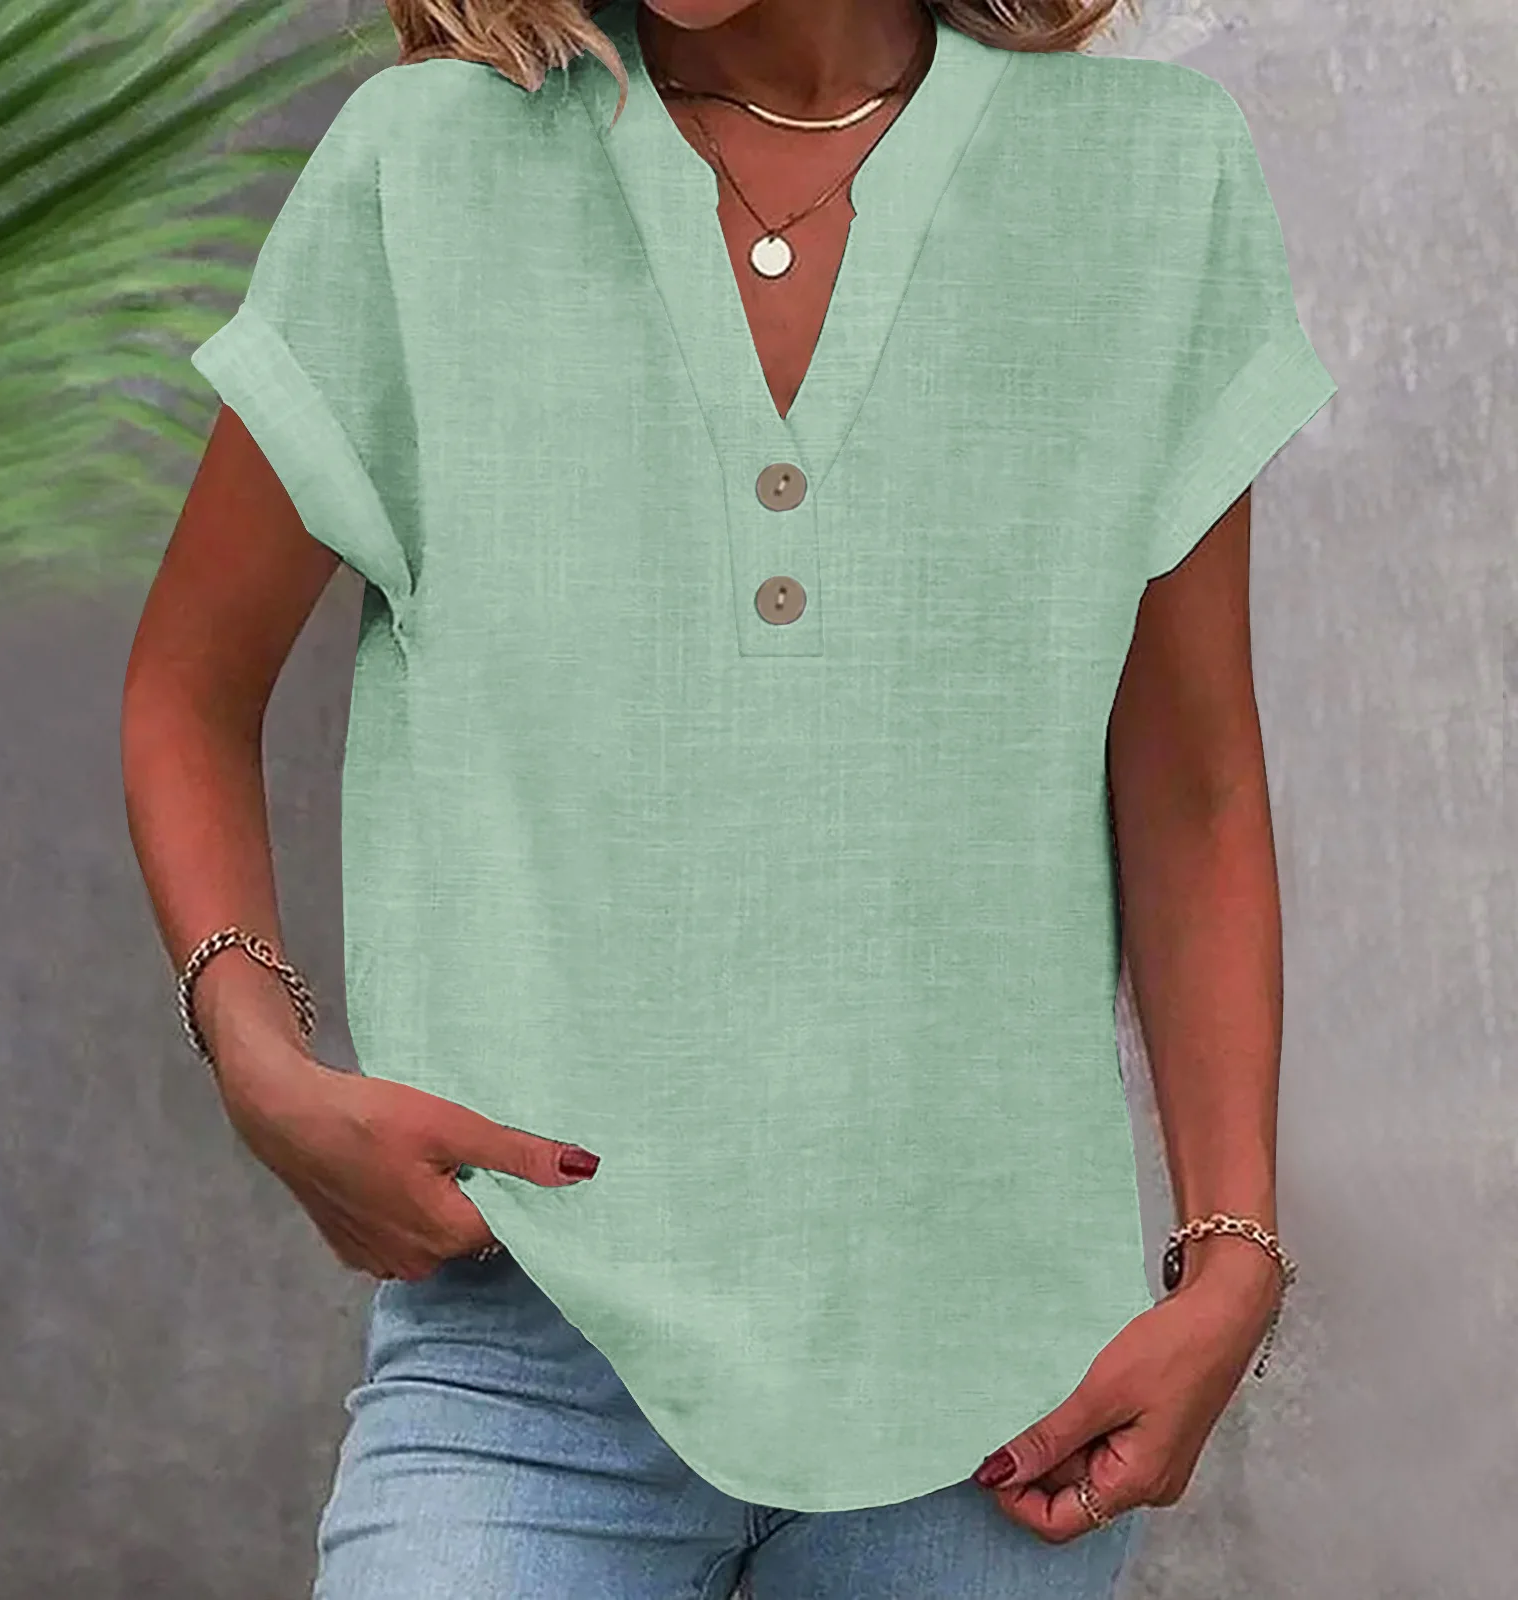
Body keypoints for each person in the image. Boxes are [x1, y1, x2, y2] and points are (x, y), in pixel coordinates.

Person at [122, 0, 1334, 1594]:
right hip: (526, 1361)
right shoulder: (426, 169)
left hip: (999, 1410)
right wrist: (258, 1058)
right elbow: (189, 687)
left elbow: (1191, 784)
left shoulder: (1149, 182)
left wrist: (1232, 1253)